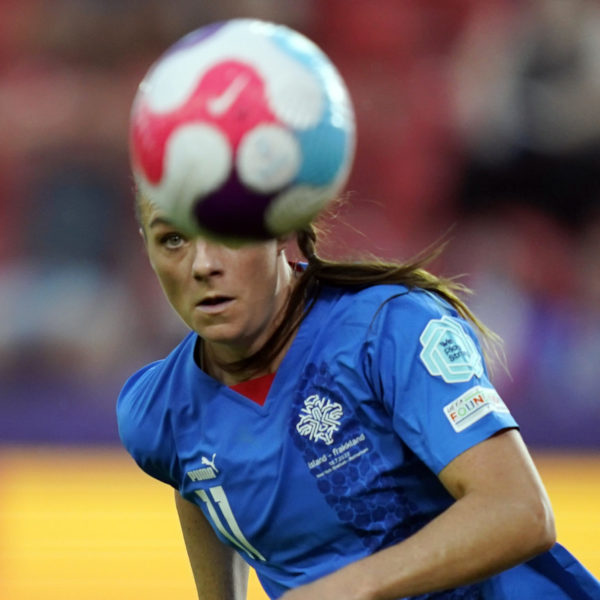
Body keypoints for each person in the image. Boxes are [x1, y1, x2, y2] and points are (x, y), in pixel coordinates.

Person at [117, 27, 600, 600]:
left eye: (226, 230)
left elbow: (520, 512)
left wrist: (346, 590)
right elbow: (196, 473)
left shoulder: (391, 331)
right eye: (172, 240)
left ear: (280, 230)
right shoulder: (157, 412)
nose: (201, 265)